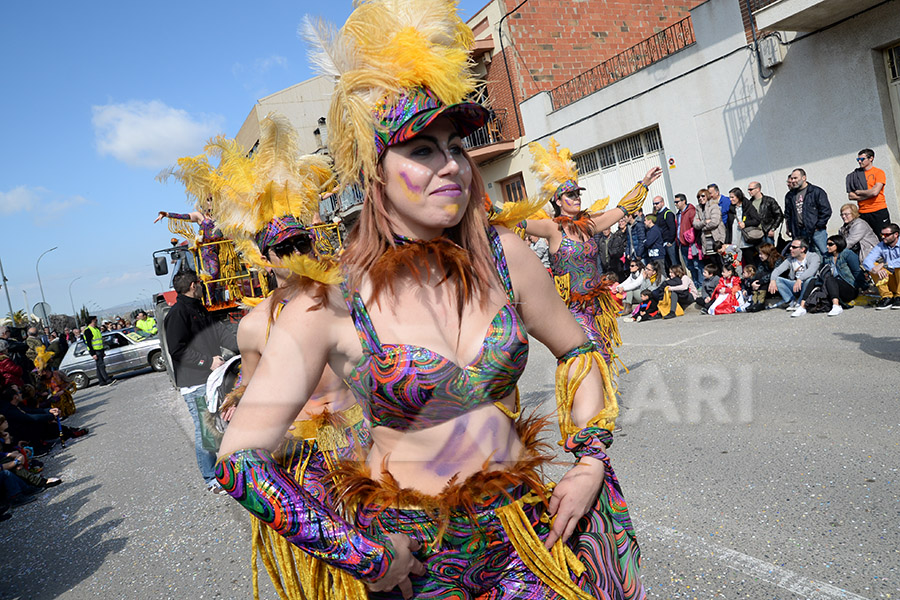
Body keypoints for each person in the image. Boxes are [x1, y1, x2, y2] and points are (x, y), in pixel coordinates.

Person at [218, 2, 645, 597]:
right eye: (421, 149)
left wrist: (589, 459)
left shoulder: (505, 255)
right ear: (375, 173)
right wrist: (364, 556)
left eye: (454, 145)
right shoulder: (329, 304)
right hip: (419, 564)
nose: (451, 165)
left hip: (527, 532)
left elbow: (578, 348)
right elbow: (240, 459)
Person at [525, 137, 661, 364]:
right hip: (571, 309)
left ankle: (603, 399)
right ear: (558, 201)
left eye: (578, 194)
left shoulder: (589, 225)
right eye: (571, 195)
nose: (576, 198)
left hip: (597, 305)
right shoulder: (552, 228)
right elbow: (517, 223)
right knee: (585, 358)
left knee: (604, 357)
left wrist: (644, 183)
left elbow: (621, 209)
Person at [164, 270, 236, 493]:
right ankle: (211, 479)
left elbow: (219, 333)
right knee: (205, 430)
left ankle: (227, 471)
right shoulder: (177, 314)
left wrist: (245, 344)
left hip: (212, 379)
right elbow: (177, 350)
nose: (204, 286)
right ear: (194, 285)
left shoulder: (199, 309)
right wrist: (206, 361)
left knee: (219, 426)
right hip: (195, 382)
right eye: (201, 283)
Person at [792, 235, 861, 318]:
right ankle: (802, 307)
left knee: (831, 279)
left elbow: (857, 271)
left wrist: (863, 287)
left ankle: (836, 306)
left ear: (838, 244)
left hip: (849, 288)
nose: (827, 246)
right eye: (827, 244)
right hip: (832, 287)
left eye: (830, 244)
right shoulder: (827, 257)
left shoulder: (848, 254)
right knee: (813, 280)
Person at [784, 168, 832, 255]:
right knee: (805, 256)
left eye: (795, 178)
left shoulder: (816, 191)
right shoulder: (790, 195)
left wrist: (818, 226)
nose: (793, 181)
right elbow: (788, 214)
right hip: (799, 232)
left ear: (804, 178)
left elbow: (826, 210)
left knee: (824, 254)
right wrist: (790, 228)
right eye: (792, 178)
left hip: (816, 231)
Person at [767, 238, 821, 310]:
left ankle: (800, 302)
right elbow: (777, 270)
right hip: (795, 285)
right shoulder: (790, 259)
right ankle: (790, 301)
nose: (790, 248)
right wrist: (772, 280)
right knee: (777, 279)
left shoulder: (813, 256)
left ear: (802, 249)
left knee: (809, 280)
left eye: (794, 247)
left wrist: (800, 279)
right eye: (790, 246)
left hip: (808, 285)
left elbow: (812, 271)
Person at [847, 148, 890, 236]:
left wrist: (859, 192)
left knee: (884, 236)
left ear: (871, 158)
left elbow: (875, 192)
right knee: (867, 238)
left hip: (878, 210)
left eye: (862, 159)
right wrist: (868, 193)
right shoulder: (855, 175)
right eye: (858, 159)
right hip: (863, 212)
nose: (859, 162)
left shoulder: (878, 172)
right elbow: (851, 196)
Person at [862, 222, 900, 309]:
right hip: (893, 280)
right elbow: (867, 261)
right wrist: (876, 270)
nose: (883, 237)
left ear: (896, 234)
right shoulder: (881, 245)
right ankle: (887, 297)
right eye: (882, 234)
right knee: (873, 266)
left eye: (886, 235)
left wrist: (885, 264)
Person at [726, 187, 762, 265]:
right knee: (736, 264)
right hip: (735, 242)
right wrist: (727, 242)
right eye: (730, 197)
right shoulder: (731, 209)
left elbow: (757, 220)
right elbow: (729, 227)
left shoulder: (748, 206)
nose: (730, 199)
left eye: (732, 197)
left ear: (738, 197)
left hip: (746, 241)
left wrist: (745, 224)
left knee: (750, 262)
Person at [838, 203, 879, 267]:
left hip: (867, 253)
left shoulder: (859, 224)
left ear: (854, 214)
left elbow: (850, 242)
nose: (843, 216)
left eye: (846, 214)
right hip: (856, 253)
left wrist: (835, 249)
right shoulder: (843, 228)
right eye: (842, 214)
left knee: (843, 254)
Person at [675, 193, 702, 285]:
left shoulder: (691, 211)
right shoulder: (678, 214)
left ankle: (700, 284)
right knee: (689, 265)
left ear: (684, 201)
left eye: (677, 202)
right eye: (675, 202)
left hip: (691, 244)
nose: (675, 204)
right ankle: (695, 283)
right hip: (682, 244)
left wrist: (691, 238)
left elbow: (695, 227)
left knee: (697, 265)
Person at [693, 188, 725, 260]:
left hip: (717, 238)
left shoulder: (714, 206)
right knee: (712, 262)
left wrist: (702, 227)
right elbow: (695, 224)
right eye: (699, 197)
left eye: (703, 196)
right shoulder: (698, 208)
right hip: (706, 241)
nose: (701, 198)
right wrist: (704, 222)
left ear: (707, 196)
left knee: (721, 261)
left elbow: (714, 222)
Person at [81, 316, 113, 386]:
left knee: (99, 366)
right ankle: (107, 379)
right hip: (95, 351)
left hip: (100, 349)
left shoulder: (97, 329)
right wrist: (93, 354)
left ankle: (101, 381)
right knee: (101, 365)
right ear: (92, 321)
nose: (96, 321)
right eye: (95, 320)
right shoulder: (88, 331)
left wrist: (103, 351)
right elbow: (89, 343)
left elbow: (100, 341)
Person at [652, 196, 678, 270]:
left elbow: (672, 228)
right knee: (667, 263)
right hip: (662, 243)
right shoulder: (657, 215)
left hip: (669, 243)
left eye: (657, 203)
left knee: (674, 263)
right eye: (654, 204)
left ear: (662, 203)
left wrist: (670, 241)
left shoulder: (668, 213)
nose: (655, 205)